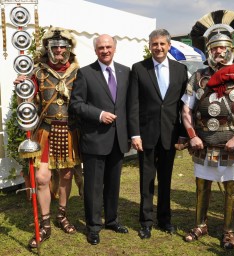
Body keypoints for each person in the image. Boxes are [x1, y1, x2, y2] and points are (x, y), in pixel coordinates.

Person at [181, 23, 234, 249]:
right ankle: (200, 225)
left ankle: (229, 231)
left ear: (231, 48)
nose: (218, 51)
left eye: (223, 47)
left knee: (231, 187)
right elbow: (186, 109)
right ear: (208, 49)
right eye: (214, 47)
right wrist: (191, 135)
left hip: (230, 142)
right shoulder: (198, 76)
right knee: (201, 184)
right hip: (203, 141)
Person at [14, 27, 81, 248]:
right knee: (42, 178)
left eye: (63, 47)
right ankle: (45, 222)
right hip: (45, 130)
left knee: (66, 175)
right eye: (55, 47)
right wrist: (22, 88)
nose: (59, 50)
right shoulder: (37, 72)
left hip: (70, 131)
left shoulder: (78, 72)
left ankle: (61, 214)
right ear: (48, 48)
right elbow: (27, 105)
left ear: (69, 49)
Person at [69, 34, 130, 245]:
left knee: (113, 184)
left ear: (114, 48)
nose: (105, 50)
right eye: (101, 47)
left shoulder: (125, 71)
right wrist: (99, 114)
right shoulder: (85, 73)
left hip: (118, 139)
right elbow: (76, 104)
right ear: (96, 50)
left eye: (108, 47)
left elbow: (128, 105)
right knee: (94, 186)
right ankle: (93, 226)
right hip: (95, 139)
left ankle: (112, 220)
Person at [128, 29, 188, 239]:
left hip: (170, 134)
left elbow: (184, 106)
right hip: (145, 134)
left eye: (162, 44)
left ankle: (165, 219)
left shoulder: (181, 70)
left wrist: (183, 134)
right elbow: (133, 104)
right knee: (146, 179)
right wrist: (134, 134)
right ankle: (146, 221)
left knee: (166, 179)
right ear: (150, 45)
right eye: (155, 44)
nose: (159, 47)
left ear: (169, 45)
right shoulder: (138, 69)